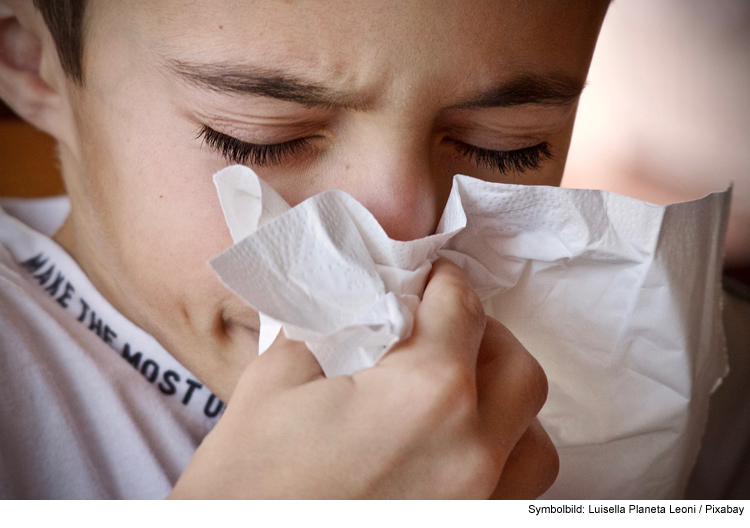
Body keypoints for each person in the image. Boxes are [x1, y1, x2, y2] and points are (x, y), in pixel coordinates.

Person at [0, 0, 610, 498]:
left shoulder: (616, 363)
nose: (404, 236)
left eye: (503, 148)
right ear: (31, 63)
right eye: (261, 141)